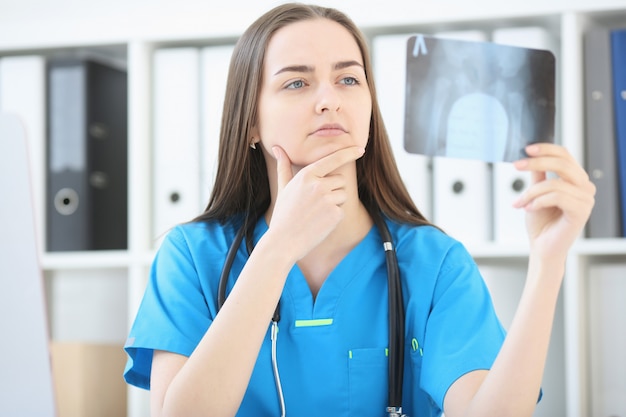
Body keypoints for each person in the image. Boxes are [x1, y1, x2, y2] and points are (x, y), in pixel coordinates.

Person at [123, 3, 596, 417]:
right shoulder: (191, 256)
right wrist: (278, 248)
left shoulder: (433, 263)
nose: (329, 99)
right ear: (250, 119)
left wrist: (548, 261)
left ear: (368, 106)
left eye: (348, 78)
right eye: (296, 83)